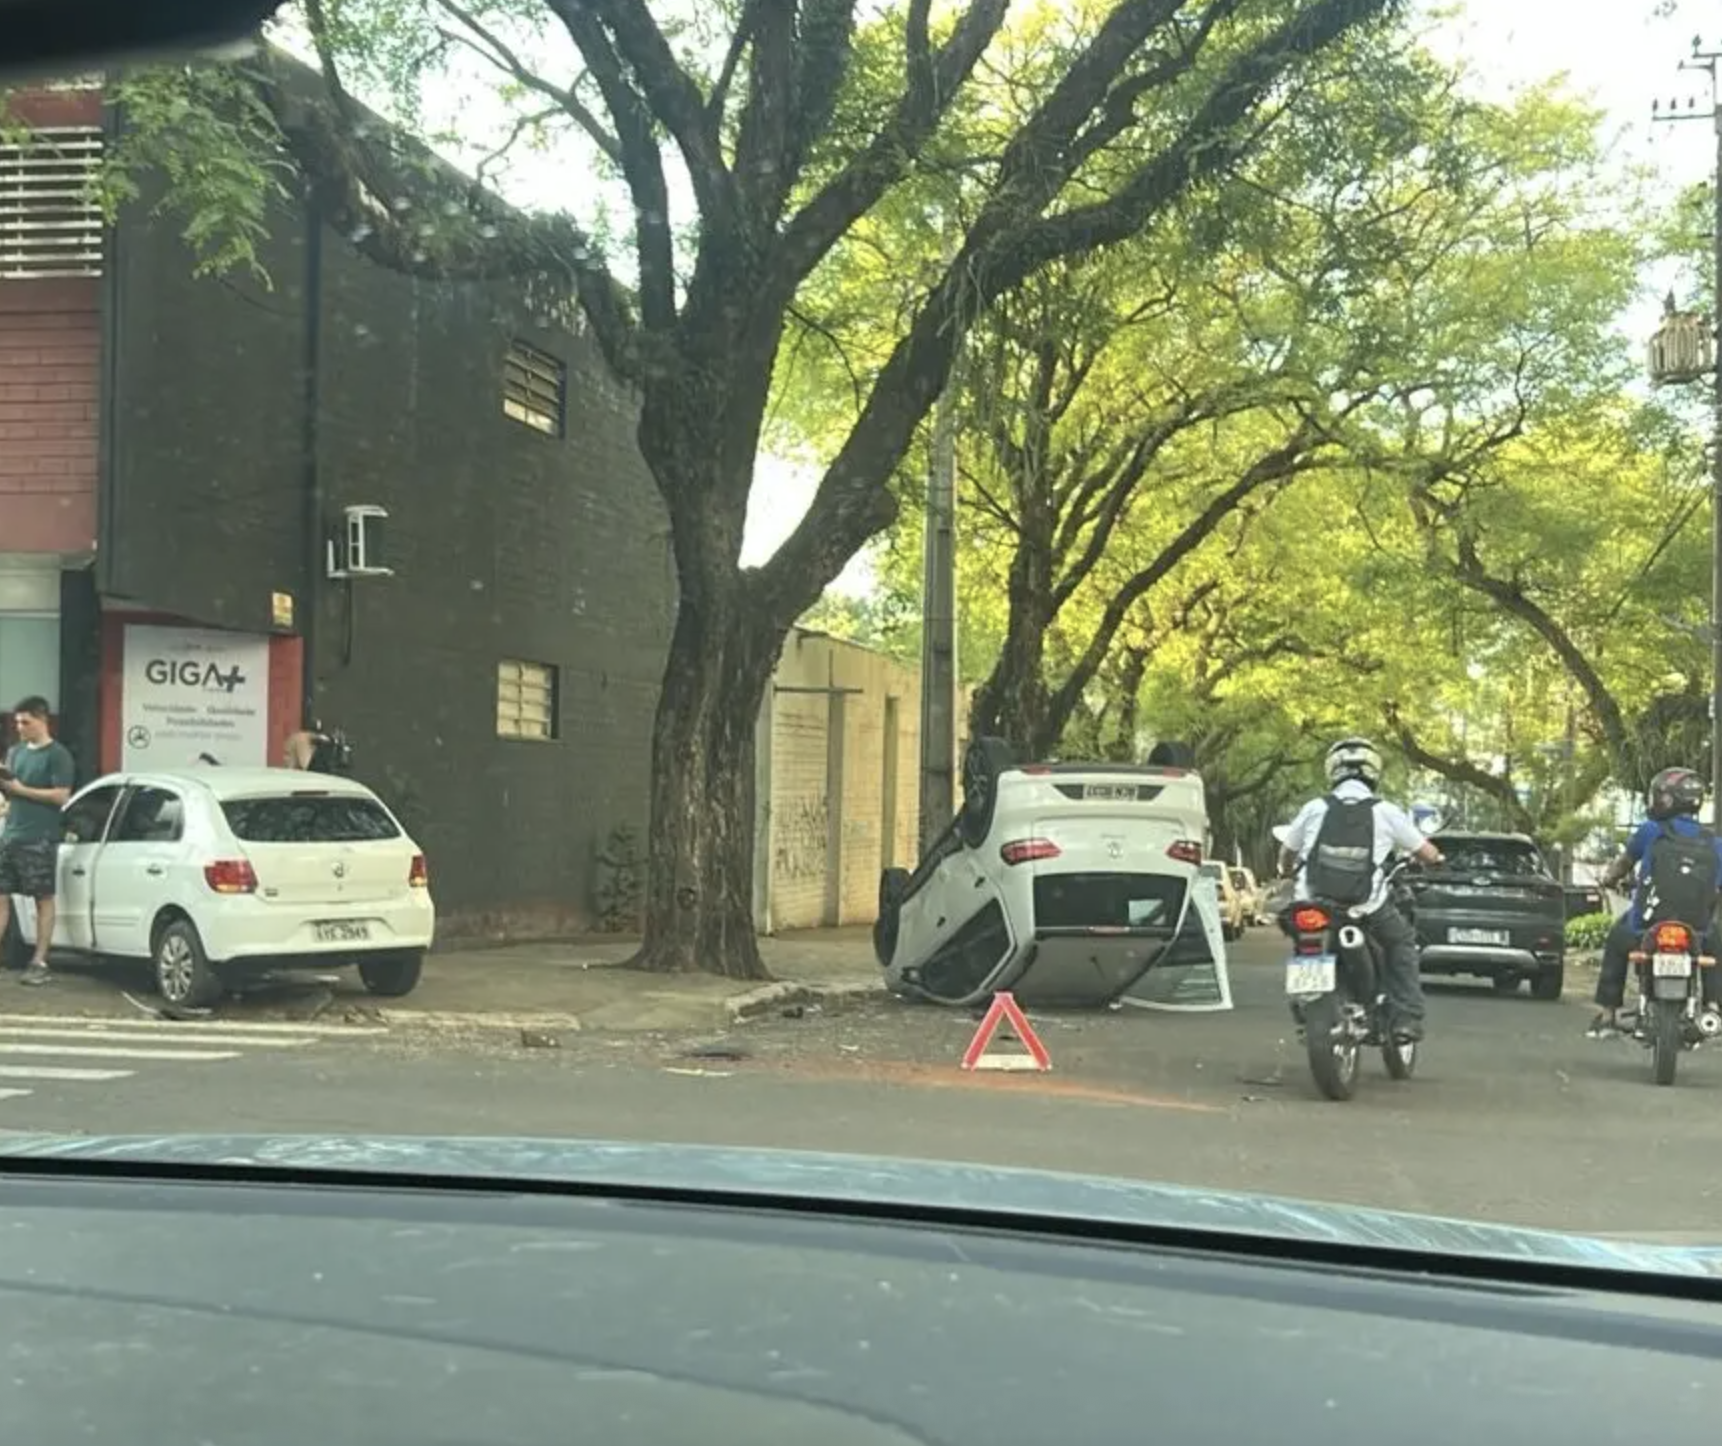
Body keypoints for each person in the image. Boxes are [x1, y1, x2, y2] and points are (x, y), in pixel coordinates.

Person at [1276, 736, 1445, 1043]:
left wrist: (1286, 872)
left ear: (1332, 771)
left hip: (1312, 904)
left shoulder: (1314, 808)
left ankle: (1304, 1002)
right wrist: (1437, 859)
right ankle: (1405, 1016)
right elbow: (1427, 852)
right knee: (1402, 943)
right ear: (1373, 772)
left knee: (1305, 940)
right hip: (1365, 907)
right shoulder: (1386, 811)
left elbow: (1287, 851)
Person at [1587, 765, 1722, 1038]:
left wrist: (1608, 880)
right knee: (1715, 949)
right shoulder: (1714, 843)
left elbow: (1623, 864)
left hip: (1646, 925)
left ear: (1667, 798)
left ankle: (1608, 1013)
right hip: (1698, 928)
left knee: (1616, 940)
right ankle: (1713, 1007)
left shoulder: (1650, 830)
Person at [0, 697, 76, 987]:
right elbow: (12, 792)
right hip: (10, 834)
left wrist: (21, 789)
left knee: (42, 898)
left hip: (39, 838)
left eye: (26, 722)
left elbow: (61, 796)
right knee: (1, 896)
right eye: (17, 722)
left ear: (43, 721)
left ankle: (39, 960)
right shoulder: (15, 752)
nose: (20, 728)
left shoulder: (58, 755)